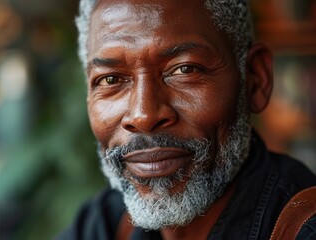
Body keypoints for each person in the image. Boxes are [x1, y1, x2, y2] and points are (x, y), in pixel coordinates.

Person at [58, 0, 316, 239]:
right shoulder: (106, 223)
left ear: (255, 80)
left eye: (185, 69)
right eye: (111, 79)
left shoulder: (303, 228)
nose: (143, 116)